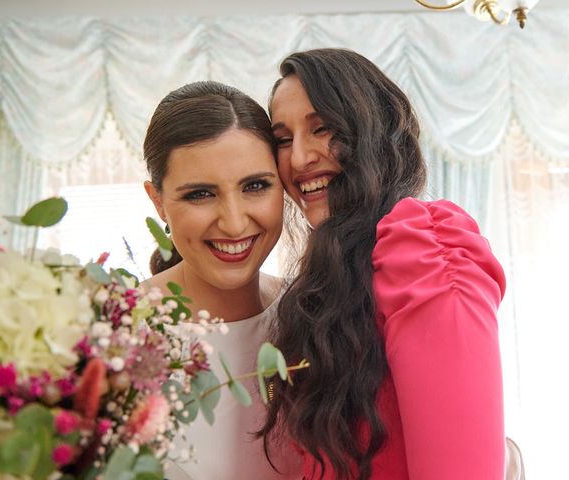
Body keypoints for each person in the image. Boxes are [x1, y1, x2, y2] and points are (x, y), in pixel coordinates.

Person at [260, 48, 506, 480]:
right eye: (283, 139)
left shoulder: (423, 243)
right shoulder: (333, 275)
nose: (299, 158)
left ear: (371, 132)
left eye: (322, 128)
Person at [142, 81, 300, 480]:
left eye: (255, 186)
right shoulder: (112, 330)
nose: (233, 222)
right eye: (200, 194)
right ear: (157, 201)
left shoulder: (312, 314)